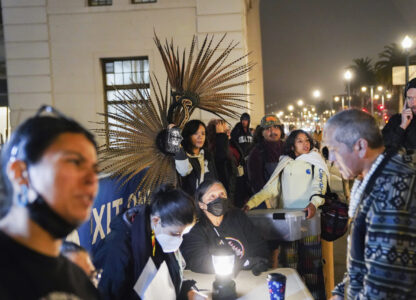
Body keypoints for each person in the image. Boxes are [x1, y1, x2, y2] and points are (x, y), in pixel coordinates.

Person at [0, 105, 100, 299]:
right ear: (21, 173)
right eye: (74, 162)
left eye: (95, 169)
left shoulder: (80, 280)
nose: (92, 180)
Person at [324, 109, 416, 300]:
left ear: (361, 146)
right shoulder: (375, 177)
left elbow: (382, 288)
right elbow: (362, 265)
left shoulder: (393, 189)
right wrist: (341, 293)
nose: (331, 159)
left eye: (334, 150)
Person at [244, 129, 328, 300]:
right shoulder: (284, 162)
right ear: (291, 145)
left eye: (307, 140)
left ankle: (315, 297)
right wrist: (250, 203)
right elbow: (271, 189)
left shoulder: (315, 161)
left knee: (312, 267)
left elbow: (319, 187)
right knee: (290, 266)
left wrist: (314, 203)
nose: (305, 144)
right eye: (299, 141)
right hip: (288, 224)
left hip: (309, 220)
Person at [93, 184, 204, 300]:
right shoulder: (117, 249)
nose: (179, 240)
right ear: (156, 220)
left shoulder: (159, 238)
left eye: (183, 235)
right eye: (175, 234)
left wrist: (189, 293)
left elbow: (170, 282)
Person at [180, 179, 270, 275]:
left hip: (248, 276)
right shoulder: (194, 228)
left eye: (222, 194)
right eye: (212, 196)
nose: (218, 199)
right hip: (212, 280)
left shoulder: (238, 216)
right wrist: (245, 263)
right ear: (201, 204)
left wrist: (259, 262)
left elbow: (259, 245)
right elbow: (198, 261)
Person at [175, 120, 217, 196]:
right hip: (190, 203)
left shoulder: (207, 155)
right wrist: (176, 138)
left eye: (203, 134)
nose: (200, 137)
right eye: (195, 133)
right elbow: (184, 171)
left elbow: (214, 178)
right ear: (188, 135)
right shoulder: (183, 156)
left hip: (208, 200)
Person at [247, 114, 285, 196]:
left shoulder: (288, 148)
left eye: (276, 127)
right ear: (261, 133)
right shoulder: (257, 152)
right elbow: (256, 181)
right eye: (268, 129)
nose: (273, 132)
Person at [206, 119, 238, 205]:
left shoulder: (231, 145)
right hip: (225, 194)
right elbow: (222, 158)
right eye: (225, 131)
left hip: (234, 192)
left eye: (228, 130)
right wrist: (220, 135)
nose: (228, 133)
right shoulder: (214, 149)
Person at [382, 77, 416, 153]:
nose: (413, 103)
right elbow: (383, 147)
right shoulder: (396, 120)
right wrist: (402, 126)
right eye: (410, 98)